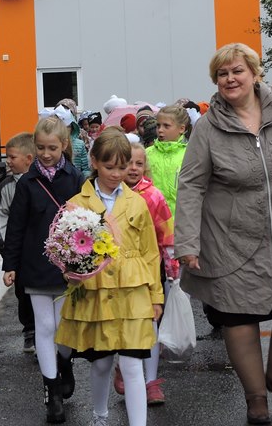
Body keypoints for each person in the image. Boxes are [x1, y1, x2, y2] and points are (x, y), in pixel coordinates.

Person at [174, 43, 272, 426]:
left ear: (255, 73)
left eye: (237, 71)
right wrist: (188, 242)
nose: (230, 79)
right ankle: (255, 395)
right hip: (230, 234)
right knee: (239, 316)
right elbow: (191, 185)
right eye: (222, 74)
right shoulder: (208, 127)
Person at [55, 128, 164, 426]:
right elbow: (66, 250)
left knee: (132, 364)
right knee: (102, 363)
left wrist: (156, 297)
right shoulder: (77, 203)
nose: (117, 174)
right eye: (109, 167)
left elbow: (150, 252)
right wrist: (71, 273)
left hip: (133, 292)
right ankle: (100, 415)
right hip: (96, 291)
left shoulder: (137, 202)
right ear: (94, 161)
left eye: (122, 167)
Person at [2, 116, 83, 423]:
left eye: (52, 148)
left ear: (63, 145)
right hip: (35, 265)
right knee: (45, 327)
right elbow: (16, 227)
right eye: (40, 148)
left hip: (66, 267)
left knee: (63, 327)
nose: (46, 154)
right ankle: (52, 393)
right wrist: (10, 265)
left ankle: (65, 364)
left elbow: (88, 221)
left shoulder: (75, 178)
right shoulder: (27, 183)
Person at [112, 141, 177, 405]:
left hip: (150, 271)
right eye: (128, 163)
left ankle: (150, 382)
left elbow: (167, 234)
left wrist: (172, 267)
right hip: (117, 272)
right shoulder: (111, 194)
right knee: (121, 323)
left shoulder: (154, 196)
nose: (133, 168)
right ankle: (123, 365)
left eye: (139, 163)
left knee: (150, 324)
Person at [0, 132, 37, 352]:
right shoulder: (6, 186)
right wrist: (6, 248)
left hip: (39, 249)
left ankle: (46, 333)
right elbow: (0, 218)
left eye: (12, 157)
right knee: (23, 293)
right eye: (7, 157)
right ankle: (30, 331)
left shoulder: (40, 182)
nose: (8, 161)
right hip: (18, 252)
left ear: (28, 158)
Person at [144, 104, 189, 218]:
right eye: (158, 125)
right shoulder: (147, 154)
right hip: (152, 219)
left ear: (181, 129)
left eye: (166, 126)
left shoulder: (190, 154)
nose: (160, 130)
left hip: (181, 220)